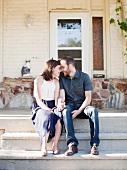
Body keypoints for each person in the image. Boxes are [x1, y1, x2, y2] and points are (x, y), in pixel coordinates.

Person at [58, 56, 100, 156]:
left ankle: (94, 145)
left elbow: (88, 99)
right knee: (65, 111)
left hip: (83, 107)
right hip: (70, 106)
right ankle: (72, 145)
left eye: (63, 67)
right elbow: (62, 96)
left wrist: (78, 111)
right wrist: (60, 103)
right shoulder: (62, 78)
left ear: (70, 66)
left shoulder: (84, 77)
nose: (61, 69)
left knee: (93, 111)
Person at [31, 59, 62, 156]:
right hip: (41, 106)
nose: (60, 70)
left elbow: (56, 100)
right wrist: (48, 109)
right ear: (52, 68)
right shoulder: (39, 80)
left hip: (53, 105)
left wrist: (58, 107)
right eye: (58, 68)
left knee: (58, 119)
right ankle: (43, 146)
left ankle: (55, 146)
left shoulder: (56, 81)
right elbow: (38, 100)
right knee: (47, 116)